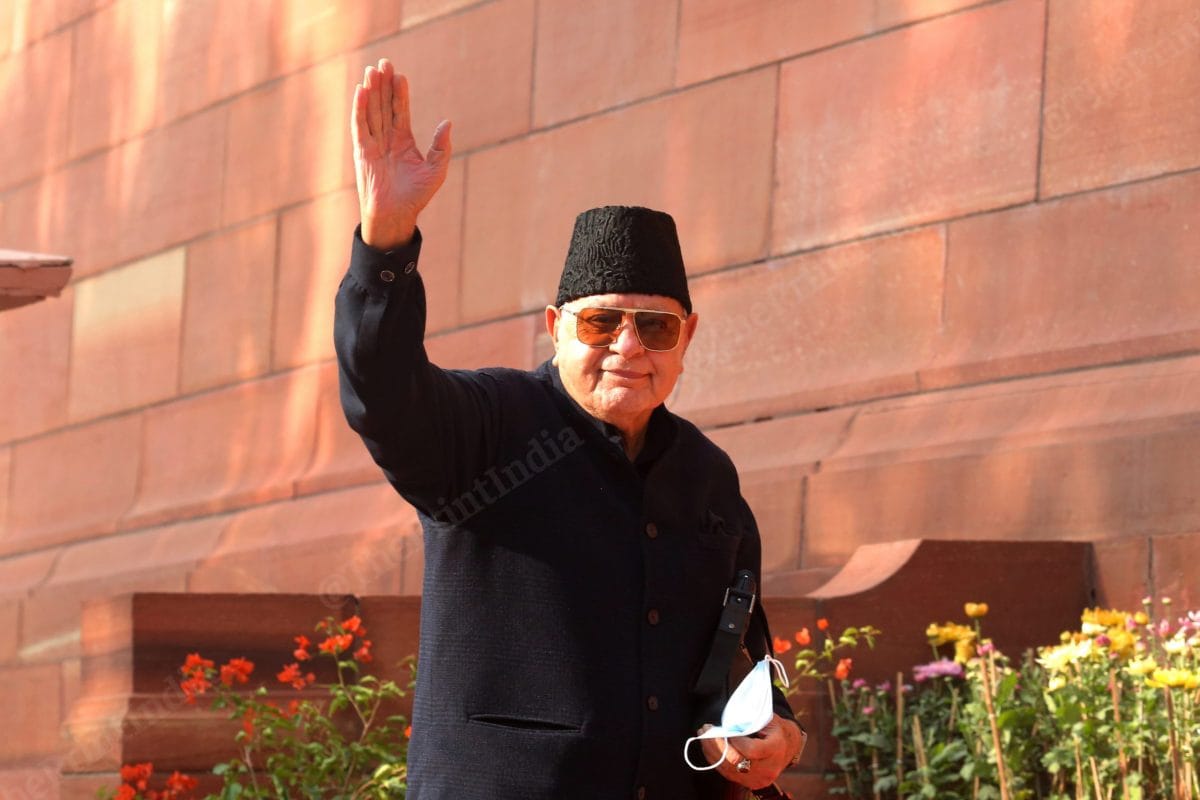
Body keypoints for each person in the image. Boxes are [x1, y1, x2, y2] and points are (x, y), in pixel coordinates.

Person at [335, 58, 805, 799]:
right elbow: (382, 392)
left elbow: (737, 648)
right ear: (555, 330)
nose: (628, 347)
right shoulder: (487, 429)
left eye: (655, 326)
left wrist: (774, 728)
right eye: (601, 322)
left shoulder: (708, 476)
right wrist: (386, 244)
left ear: (687, 338)